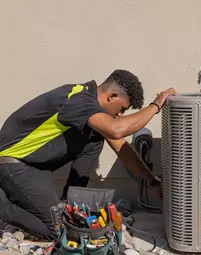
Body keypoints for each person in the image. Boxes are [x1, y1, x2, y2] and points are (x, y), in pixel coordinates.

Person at [0, 69, 177, 240]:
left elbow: (122, 149)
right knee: (58, 231)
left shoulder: (89, 105)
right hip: (13, 163)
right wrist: (156, 105)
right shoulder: (78, 100)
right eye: (122, 108)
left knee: (95, 139)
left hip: (35, 166)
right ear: (112, 96)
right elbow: (117, 131)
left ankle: (69, 204)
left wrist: (153, 181)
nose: (121, 114)